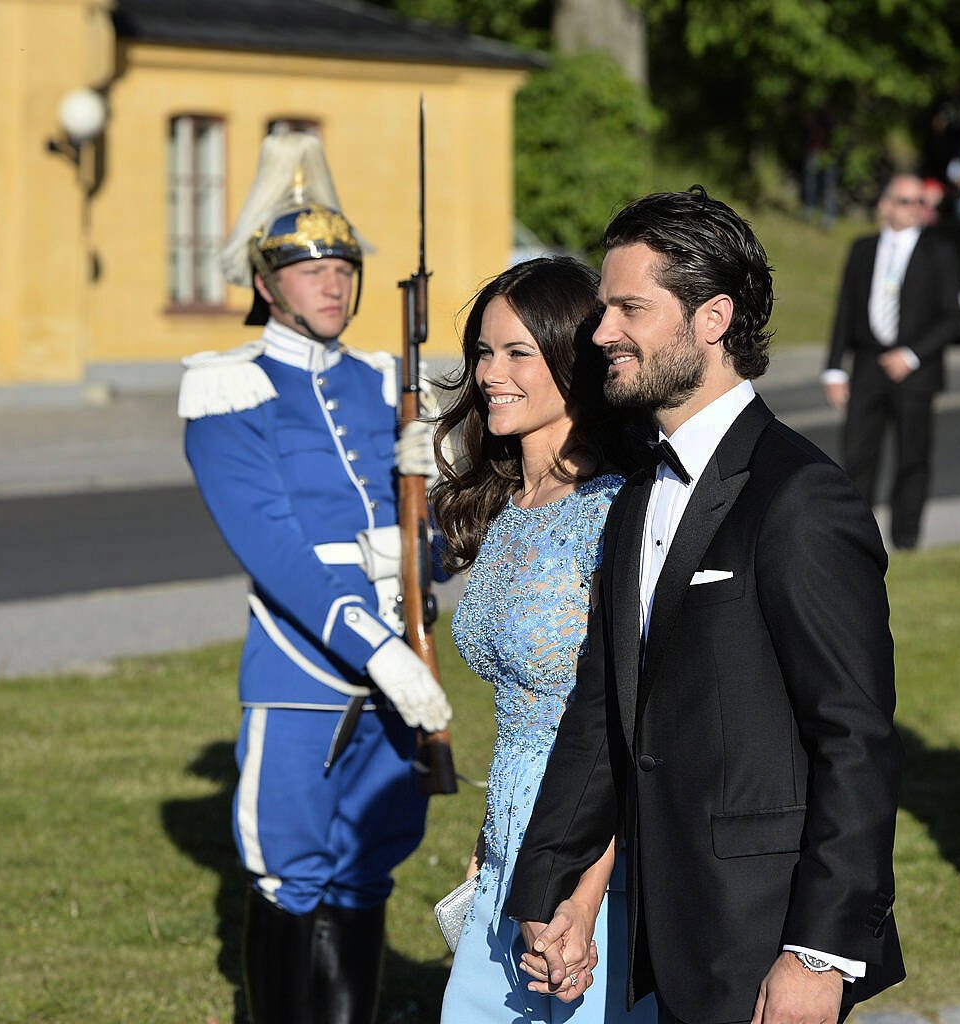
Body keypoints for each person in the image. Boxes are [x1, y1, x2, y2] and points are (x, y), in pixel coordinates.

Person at [504, 189, 905, 1024]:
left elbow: (854, 741)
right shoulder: (638, 490)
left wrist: (817, 956)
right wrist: (553, 886)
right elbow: (603, 704)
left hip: (765, 939)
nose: (601, 330)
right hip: (661, 930)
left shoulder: (799, 499)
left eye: (629, 308)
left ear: (712, 317)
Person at [179, 131, 451, 1024]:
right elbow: (278, 552)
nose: (332, 284)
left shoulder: (386, 384)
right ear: (266, 284)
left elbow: (438, 547)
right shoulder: (228, 389)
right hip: (306, 670)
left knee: (366, 866)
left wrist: (438, 499)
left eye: (341, 267)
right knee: (290, 871)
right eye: (307, 270)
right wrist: (380, 651)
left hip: (399, 661)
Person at [433, 257, 657, 1023]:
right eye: (484, 352)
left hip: (594, 867)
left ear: (573, 361)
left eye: (518, 353)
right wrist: (488, 843)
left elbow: (624, 723)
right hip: (506, 854)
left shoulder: (616, 513)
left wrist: (582, 898)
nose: (491, 373)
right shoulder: (507, 507)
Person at [823, 172, 960, 550]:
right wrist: (834, 368)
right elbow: (846, 310)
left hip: (916, 372)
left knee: (912, 457)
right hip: (868, 366)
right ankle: (856, 539)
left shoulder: (939, 251)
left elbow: (952, 315)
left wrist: (912, 354)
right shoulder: (863, 248)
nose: (916, 208)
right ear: (885, 205)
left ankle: (906, 538)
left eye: (922, 202)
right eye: (906, 201)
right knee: (858, 455)